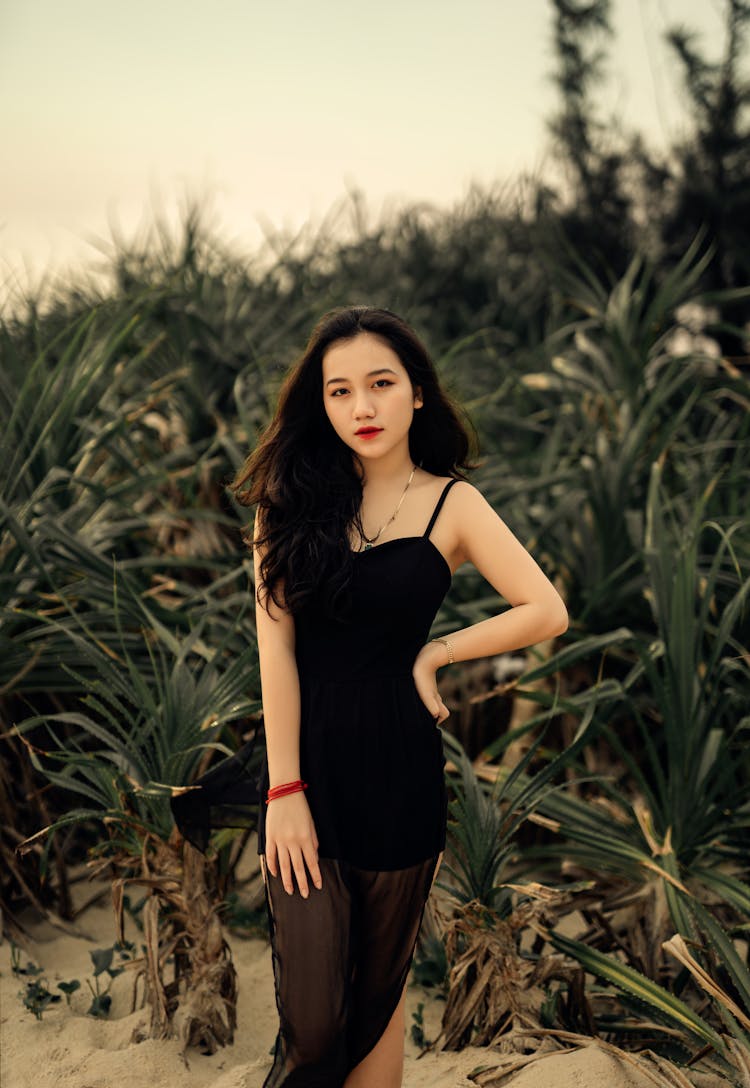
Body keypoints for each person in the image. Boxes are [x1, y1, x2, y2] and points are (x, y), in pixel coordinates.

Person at [174, 305, 568, 1087]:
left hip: (401, 779)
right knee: (316, 1027)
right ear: (319, 404)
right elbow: (275, 651)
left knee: (376, 1006)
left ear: (416, 392)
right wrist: (284, 787)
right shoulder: (285, 501)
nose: (362, 407)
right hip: (306, 775)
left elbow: (545, 608)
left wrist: (438, 652)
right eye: (340, 390)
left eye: (381, 384)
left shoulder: (454, 505)